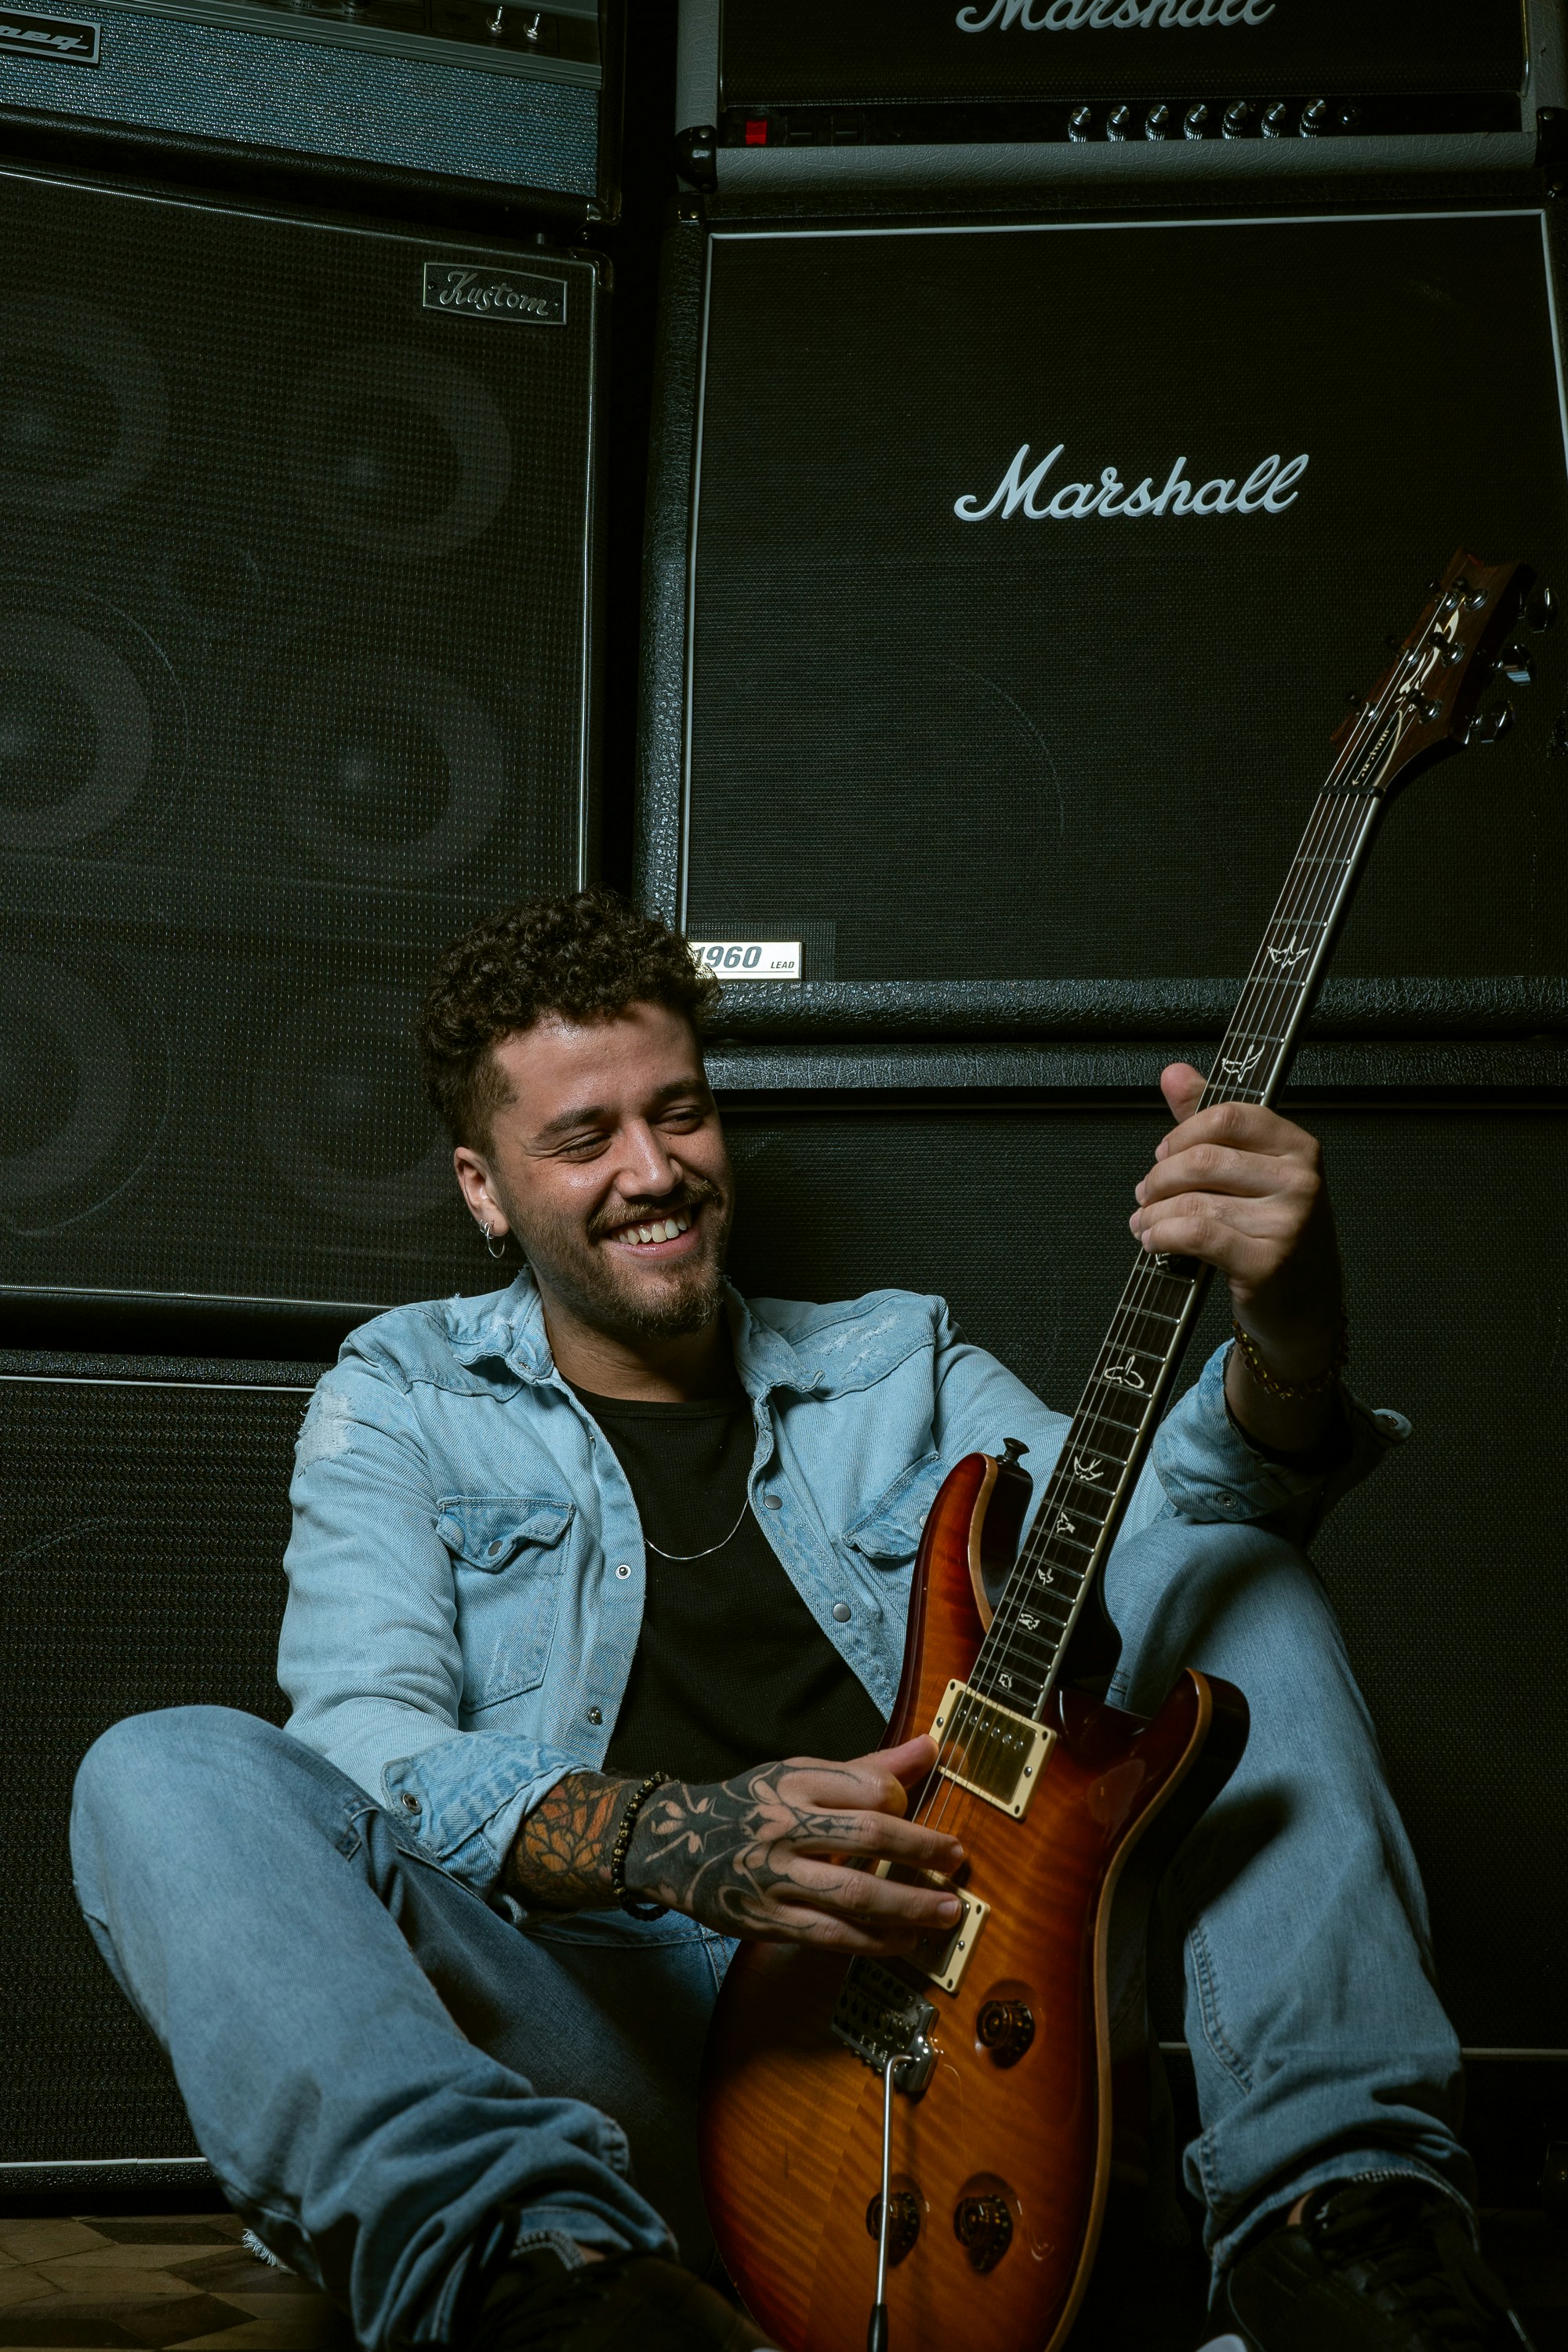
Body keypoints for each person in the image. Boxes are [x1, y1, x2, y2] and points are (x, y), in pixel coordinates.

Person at [71, 893, 1529, 2352]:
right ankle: (549, 2288)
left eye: (680, 1113)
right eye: (584, 1140)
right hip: (609, 2078)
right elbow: (362, 1746)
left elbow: (1162, 1556)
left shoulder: (897, 1359)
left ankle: (1338, 2235)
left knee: (1237, 1580)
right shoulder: (400, 1394)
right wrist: (684, 1839)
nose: (654, 1172)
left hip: (956, 2044)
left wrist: (1288, 1331)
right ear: (484, 1188)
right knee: (160, 1770)